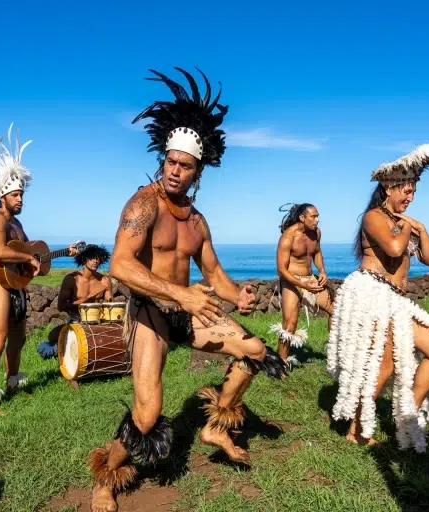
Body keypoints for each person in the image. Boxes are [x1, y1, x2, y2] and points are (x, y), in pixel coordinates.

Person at [87, 68, 286, 512]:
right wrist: (181, 295)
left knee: (254, 350)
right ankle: (105, 477)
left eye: (185, 166)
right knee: (147, 415)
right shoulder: (143, 203)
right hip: (148, 312)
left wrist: (237, 296)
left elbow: (214, 274)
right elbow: (120, 266)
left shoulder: (197, 222)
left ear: (198, 171)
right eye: (171, 162)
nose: (175, 172)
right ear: (163, 159)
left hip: (187, 309)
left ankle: (215, 427)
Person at [325, 144, 429, 453]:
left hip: (395, 301)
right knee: (382, 367)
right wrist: (405, 226)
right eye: (406, 191)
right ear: (387, 188)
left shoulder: (405, 223)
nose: (410, 198)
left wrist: (421, 230)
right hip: (371, 295)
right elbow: (395, 249)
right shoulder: (373, 217)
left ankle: (406, 414)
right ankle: (356, 430)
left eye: (413, 192)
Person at [0, 123, 76, 415]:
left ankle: (12, 384)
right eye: (15, 195)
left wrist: (52, 256)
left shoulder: (18, 224)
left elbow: (29, 254)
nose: (20, 199)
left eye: (22, 194)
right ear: (2, 196)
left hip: (15, 286)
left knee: (19, 339)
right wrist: (29, 260)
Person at [271, 203, 334, 369]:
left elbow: (317, 253)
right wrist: (302, 284)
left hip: (310, 278)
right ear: (302, 218)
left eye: (317, 216)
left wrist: (322, 271)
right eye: (313, 216)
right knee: (289, 325)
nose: (317, 220)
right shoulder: (288, 236)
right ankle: (280, 365)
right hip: (292, 280)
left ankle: (334, 354)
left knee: (337, 311)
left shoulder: (316, 233)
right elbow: (281, 269)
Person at [36, 245, 114, 360]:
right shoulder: (71, 279)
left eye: (98, 258)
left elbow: (110, 306)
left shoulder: (104, 280)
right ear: (84, 259)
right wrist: (83, 302)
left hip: (98, 321)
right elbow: (61, 305)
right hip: (76, 321)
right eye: (92, 258)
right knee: (52, 336)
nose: (96, 261)